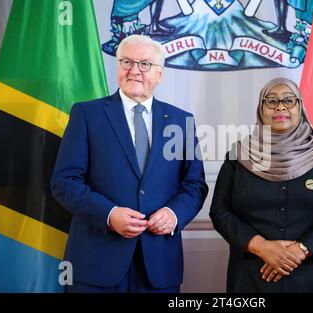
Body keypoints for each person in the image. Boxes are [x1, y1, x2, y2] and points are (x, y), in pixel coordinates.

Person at [51, 35, 208, 292]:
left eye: (145, 64)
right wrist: (109, 215)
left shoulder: (181, 120)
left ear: (160, 74)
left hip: (159, 267)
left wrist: (173, 214)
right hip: (96, 263)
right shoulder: (86, 114)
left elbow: (194, 185)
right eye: (127, 62)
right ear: (117, 67)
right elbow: (64, 181)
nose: (135, 70)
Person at [209, 77, 313, 292]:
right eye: (271, 101)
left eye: (289, 100)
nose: (280, 107)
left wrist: (302, 249)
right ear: (261, 108)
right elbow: (220, 212)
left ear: (300, 107)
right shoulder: (238, 155)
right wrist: (261, 247)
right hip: (253, 277)